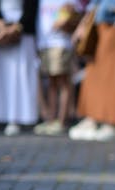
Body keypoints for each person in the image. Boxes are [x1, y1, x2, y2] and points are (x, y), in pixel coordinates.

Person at [68, 0, 115, 141]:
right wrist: (83, 24)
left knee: (113, 74)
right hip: (99, 26)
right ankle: (93, 117)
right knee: (95, 74)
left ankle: (113, 121)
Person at [0, 0, 39, 136]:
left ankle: (16, 116)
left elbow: (31, 7)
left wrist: (17, 27)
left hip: (20, 27)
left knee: (18, 74)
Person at [34, 0, 82, 136]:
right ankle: (51, 120)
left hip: (61, 43)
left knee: (63, 82)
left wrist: (66, 18)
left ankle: (61, 121)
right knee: (52, 83)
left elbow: (76, 11)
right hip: (46, 43)